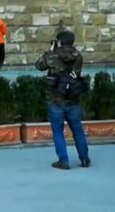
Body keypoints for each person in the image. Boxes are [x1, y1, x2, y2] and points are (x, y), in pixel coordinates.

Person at [35, 30, 91, 170]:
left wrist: (51, 50)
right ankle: (84, 159)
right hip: (73, 98)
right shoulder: (78, 56)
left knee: (58, 131)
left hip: (55, 99)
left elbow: (39, 65)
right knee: (77, 130)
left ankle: (63, 161)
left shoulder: (52, 55)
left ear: (59, 41)